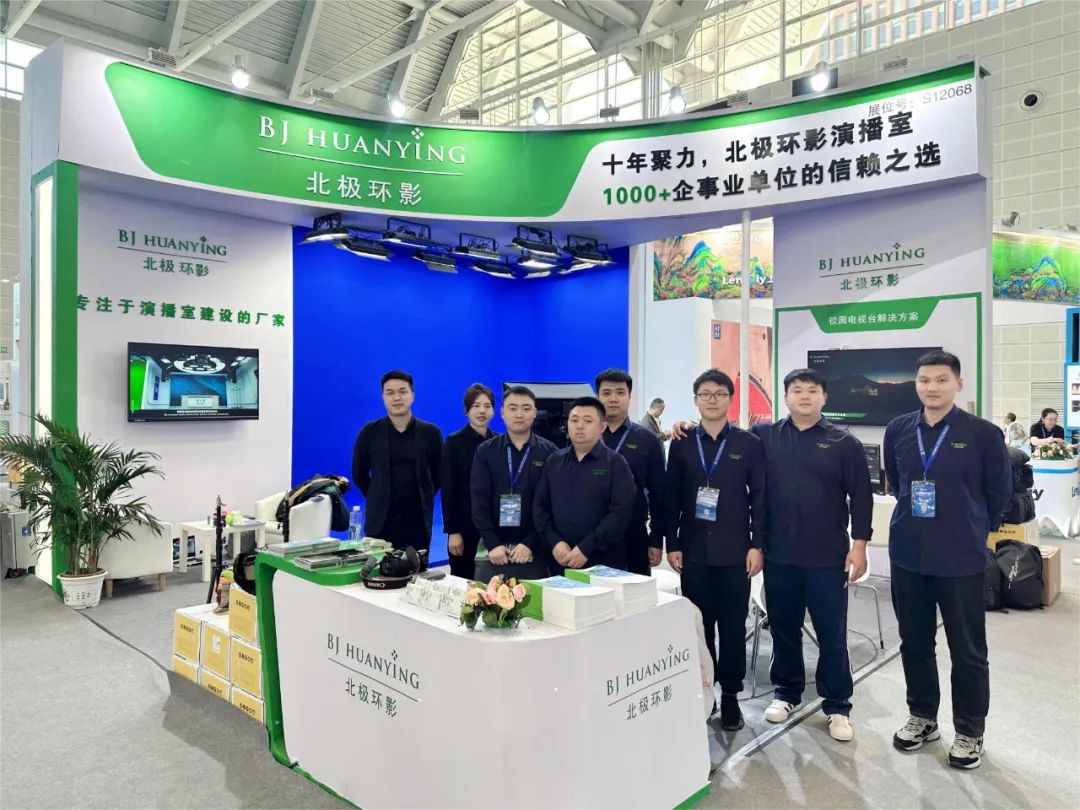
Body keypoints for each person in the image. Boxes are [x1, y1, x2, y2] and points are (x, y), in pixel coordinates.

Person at [883, 350, 1011, 770]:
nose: (931, 387)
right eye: (924, 380)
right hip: (908, 554)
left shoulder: (983, 434)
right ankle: (923, 716)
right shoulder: (898, 430)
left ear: (958, 383)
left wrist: (973, 530)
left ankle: (970, 731)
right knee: (914, 642)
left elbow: (999, 493)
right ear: (915, 384)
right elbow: (897, 481)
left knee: (968, 650)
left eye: (941, 379)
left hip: (960, 558)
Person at [751, 368, 872, 743]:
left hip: (827, 557)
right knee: (784, 629)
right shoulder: (765, 436)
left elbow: (862, 496)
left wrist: (860, 545)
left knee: (831, 634)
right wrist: (685, 428)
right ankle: (786, 692)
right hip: (779, 555)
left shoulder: (843, 442)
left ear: (824, 398)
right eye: (797, 390)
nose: (804, 396)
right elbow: (729, 447)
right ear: (785, 396)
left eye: (812, 390)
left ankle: (837, 705)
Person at [664, 369, 765, 731]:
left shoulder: (748, 443)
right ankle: (703, 691)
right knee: (699, 625)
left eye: (719, 394)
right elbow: (671, 496)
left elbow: (760, 498)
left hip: (735, 551)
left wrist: (757, 544)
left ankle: (731, 695)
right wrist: (672, 543)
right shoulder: (681, 442)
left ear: (730, 399)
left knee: (733, 627)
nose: (712, 400)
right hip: (692, 550)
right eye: (705, 394)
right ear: (695, 400)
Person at [533, 397, 636, 571]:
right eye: (574, 420)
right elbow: (540, 506)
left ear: (602, 427)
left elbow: (620, 513)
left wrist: (586, 548)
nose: (579, 426)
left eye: (587, 421)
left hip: (603, 562)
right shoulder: (554, 461)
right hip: (559, 559)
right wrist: (554, 542)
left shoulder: (616, 463)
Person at [471, 386, 558, 580]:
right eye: (513, 408)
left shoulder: (549, 452)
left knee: (534, 599)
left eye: (526, 408)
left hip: (534, 548)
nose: (519, 414)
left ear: (535, 413)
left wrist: (530, 542)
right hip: (493, 550)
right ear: (502, 412)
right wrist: (493, 543)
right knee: (486, 597)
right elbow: (478, 502)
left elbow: (551, 505)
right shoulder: (485, 451)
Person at [351, 370, 443, 553]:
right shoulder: (369, 432)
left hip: (417, 522)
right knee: (377, 569)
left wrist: (424, 496)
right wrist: (378, 495)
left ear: (412, 395)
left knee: (416, 569)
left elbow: (439, 474)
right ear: (383, 397)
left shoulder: (431, 433)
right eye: (390, 392)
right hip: (380, 523)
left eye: (402, 391)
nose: (397, 398)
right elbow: (358, 474)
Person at [595, 369, 667, 575]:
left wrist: (656, 539)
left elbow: (659, 493)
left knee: (634, 592)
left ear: (629, 396)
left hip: (633, 533)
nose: (613, 398)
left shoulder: (647, 439)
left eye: (620, 392)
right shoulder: (586, 437)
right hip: (590, 535)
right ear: (598, 397)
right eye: (606, 393)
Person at [440, 383, 498, 580]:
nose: (482, 411)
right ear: (466, 410)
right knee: (464, 582)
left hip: (494, 527)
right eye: (476, 406)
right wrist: (453, 531)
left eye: (487, 406)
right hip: (464, 527)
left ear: (494, 411)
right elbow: (448, 490)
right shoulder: (454, 442)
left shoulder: (499, 442)